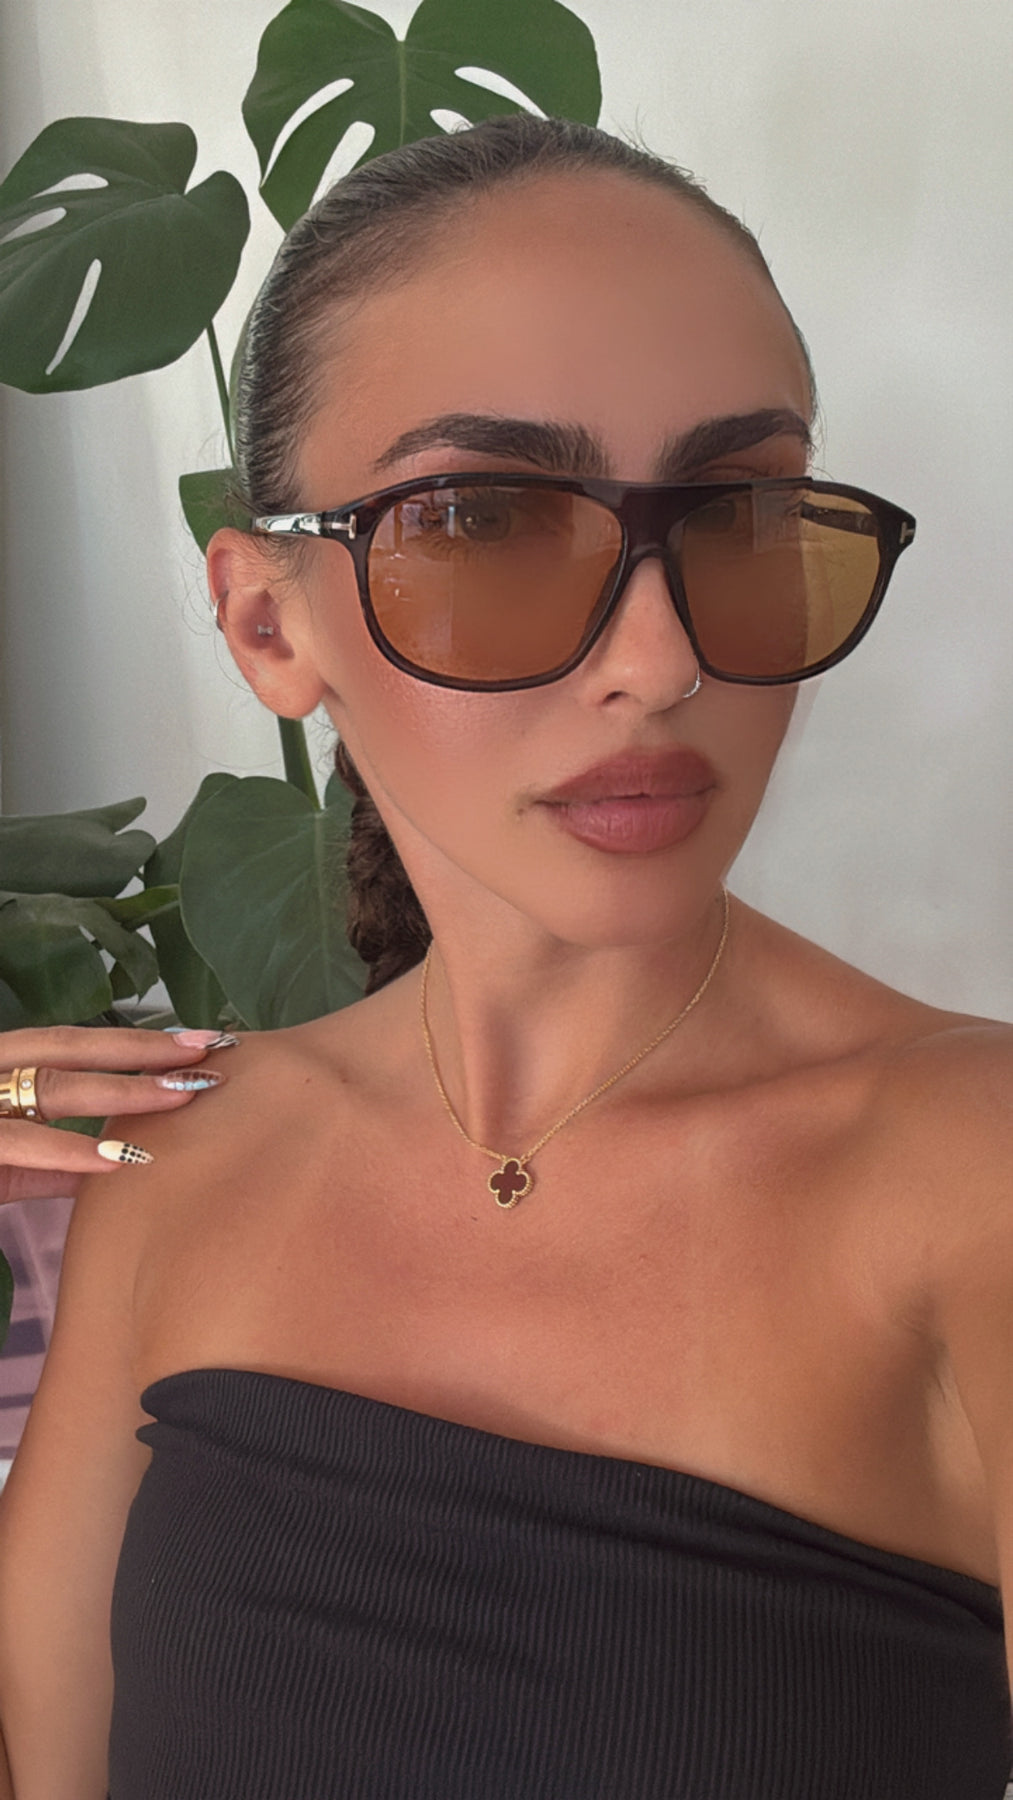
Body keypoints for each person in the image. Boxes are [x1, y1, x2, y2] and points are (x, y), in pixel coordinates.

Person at [0, 113, 1009, 1800]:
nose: (661, 662)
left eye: (742, 510)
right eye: (480, 518)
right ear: (268, 622)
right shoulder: (177, 1166)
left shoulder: (969, 1173)